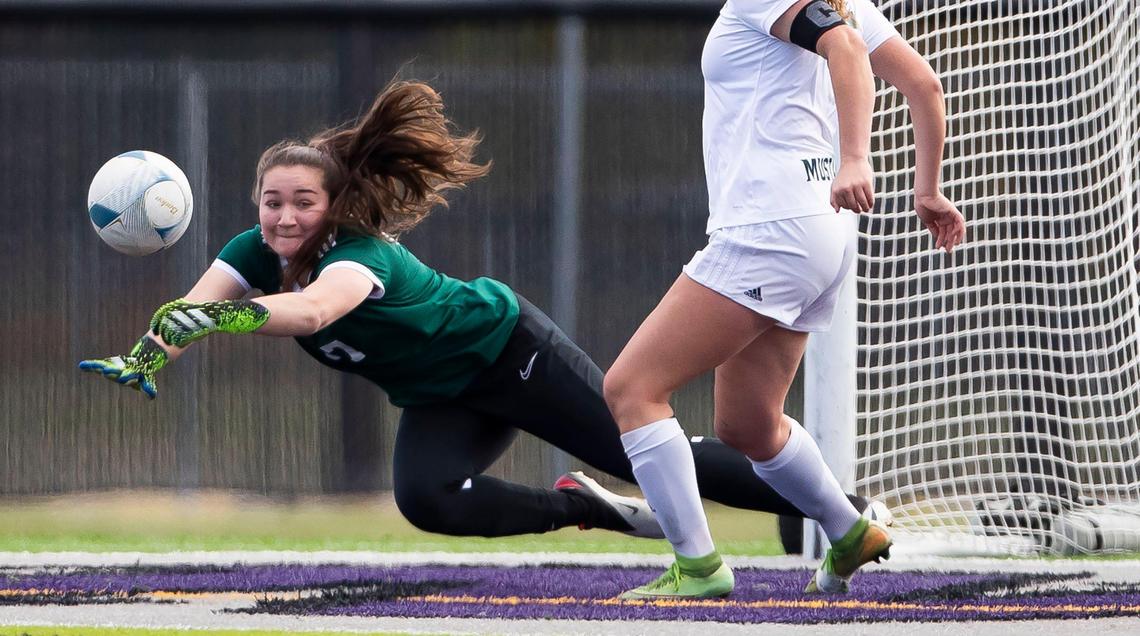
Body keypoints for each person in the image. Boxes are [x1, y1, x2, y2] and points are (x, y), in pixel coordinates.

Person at [79, 80, 876, 544]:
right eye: (271, 202)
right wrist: (149, 354)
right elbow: (193, 304)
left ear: (334, 206)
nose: (284, 217)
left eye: (302, 202)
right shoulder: (255, 249)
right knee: (428, 500)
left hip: (508, 352)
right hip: (443, 395)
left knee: (647, 452)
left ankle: (838, 507)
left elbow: (316, 313)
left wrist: (227, 323)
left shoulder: (360, 258)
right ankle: (584, 512)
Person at [603, 0, 967, 599]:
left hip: (770, 229)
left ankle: (697, 568)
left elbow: (844, 49)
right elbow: (924, 85)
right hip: (820, 234)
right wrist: (925, 189)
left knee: (632, 390)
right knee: (747, 424)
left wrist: (856, 158)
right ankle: (850, 531)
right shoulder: (845, 3)